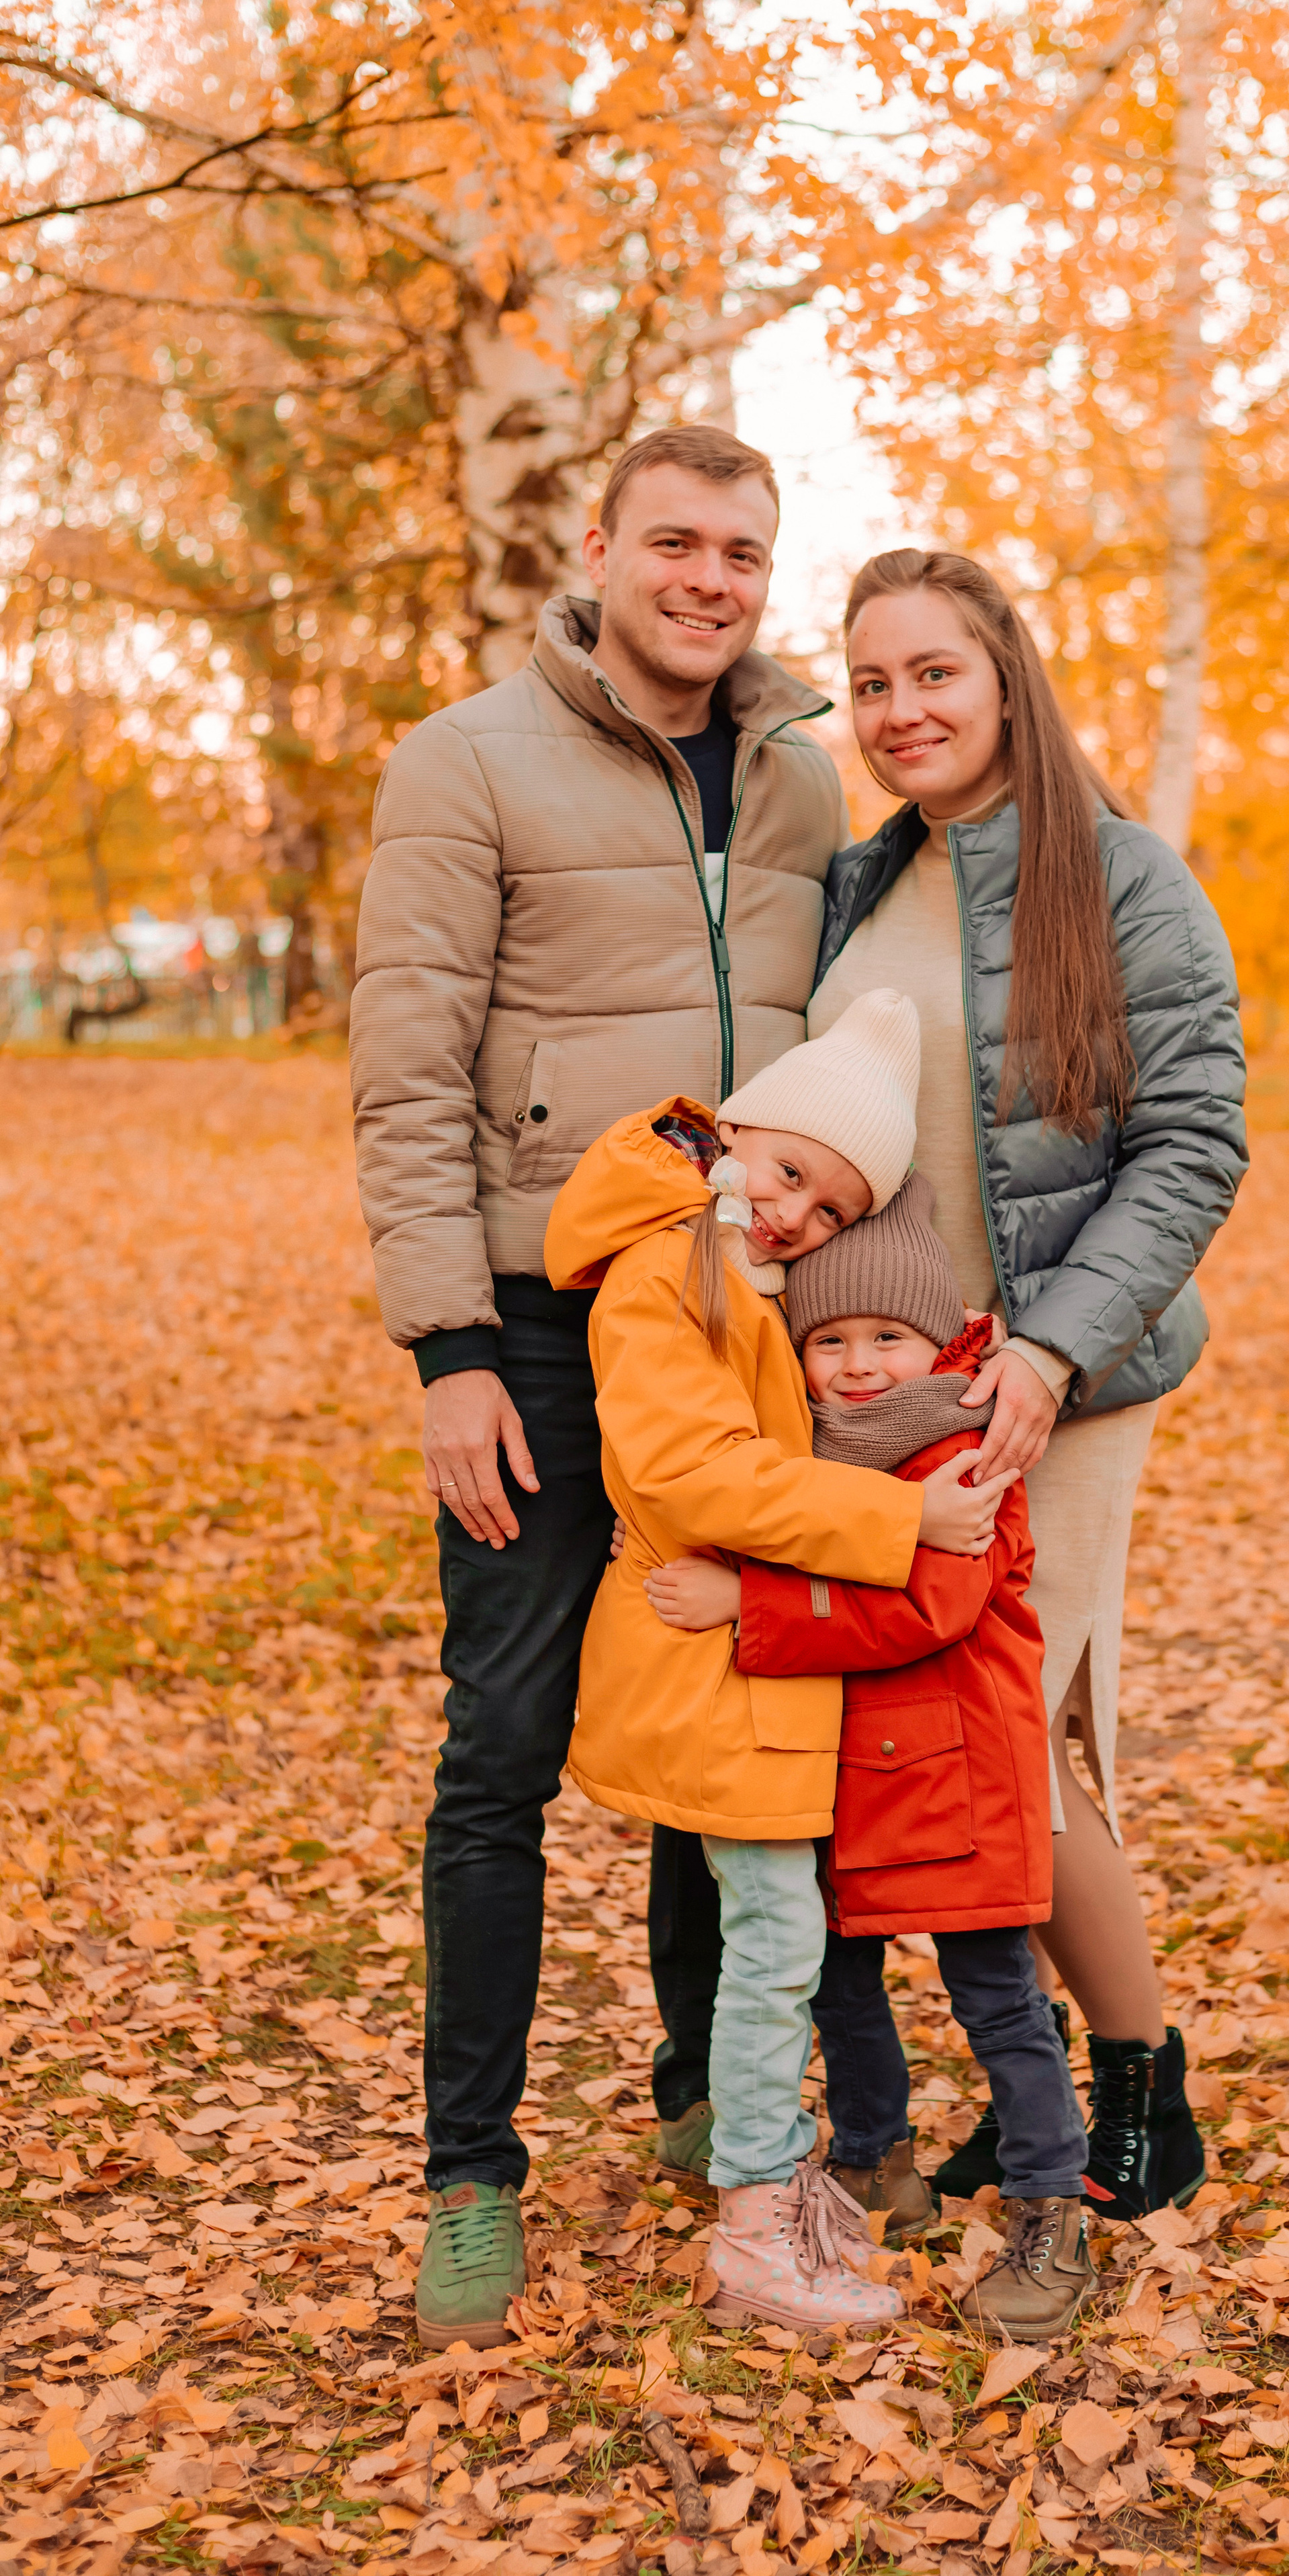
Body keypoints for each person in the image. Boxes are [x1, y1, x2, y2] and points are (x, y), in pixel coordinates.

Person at [348, 421, 856, 2352]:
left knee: (706, 1736)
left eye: (742, 549)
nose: (709, 580)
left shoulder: (807, 784)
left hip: (743, 1329)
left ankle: (692, 2097)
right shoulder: (465, 760)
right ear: (601, 546)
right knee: (501, 1753)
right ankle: (470, 2173)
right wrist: (447, 1352)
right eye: (677, 543)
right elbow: (407, 1072)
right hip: (538, 1332)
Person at [814, 547, 1249, 2215]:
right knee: (980, 1744)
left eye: (932, 672)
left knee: (1004, 1740)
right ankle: (1045, 2081)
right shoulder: (868, 883)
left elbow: (1194, 1139)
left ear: (1005, 676)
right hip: (895, 1395)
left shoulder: (1124, 879)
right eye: (869, 684)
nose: (900, 709)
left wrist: (1054, 1349)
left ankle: (1134, 2078)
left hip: (1055, 1377)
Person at [542, 992, 1016, 2330]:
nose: (798, 1214)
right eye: (792, 1170)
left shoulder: (731, 1262)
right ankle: (753, 2220)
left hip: (760, 1659)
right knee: (772, 1938)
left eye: (828, 1208)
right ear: (736, 1125)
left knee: (777, 1935)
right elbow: (691, 1471)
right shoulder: (665, 1265)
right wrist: (900, 1518)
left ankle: (775, 2184)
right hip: (709, 1665)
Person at [646, 1175, 1099, 2339]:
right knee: (841, 1987)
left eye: (886, 1338)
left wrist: (747, 1600)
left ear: (937, 1338)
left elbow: (923, 1605)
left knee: (999, 1999)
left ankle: (1054, 2205)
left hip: (961, 1775)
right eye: (829, 1339)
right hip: (848, 1776)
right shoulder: (806, 1456)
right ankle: (872, 2159)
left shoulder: (962, 1450)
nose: (856, 1365)